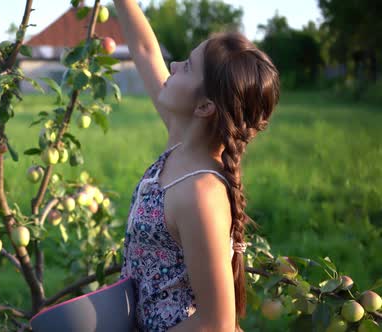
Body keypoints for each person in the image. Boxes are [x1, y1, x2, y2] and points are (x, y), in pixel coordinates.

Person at [113, 1, 281, 331]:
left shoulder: (200, 194)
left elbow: (216, 324)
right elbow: (146, 50)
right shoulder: (183, 141)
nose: (173, 65)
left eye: (187, 67)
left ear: (204, 106)